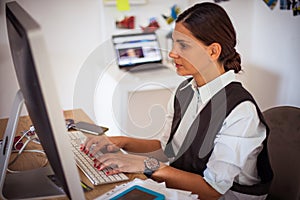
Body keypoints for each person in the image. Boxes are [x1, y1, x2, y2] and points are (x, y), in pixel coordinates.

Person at [81, 2, 273, 200]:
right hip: (187, 189)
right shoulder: (185, 90)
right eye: (173, 43)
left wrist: (146, 165)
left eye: (183, 45)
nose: (172, 53)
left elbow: (212, 190)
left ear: (213, 52)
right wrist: (120, 141)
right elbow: (167, 148)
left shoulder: (241, 112)